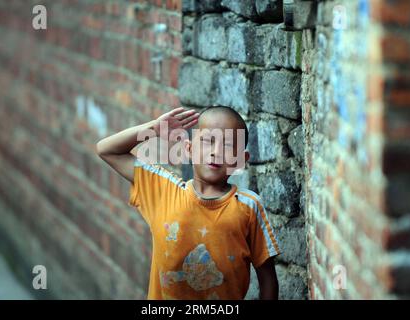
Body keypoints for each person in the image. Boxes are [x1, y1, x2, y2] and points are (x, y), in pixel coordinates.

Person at [96, 106, 281, 300]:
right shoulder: (163, 190)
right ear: (189, 149)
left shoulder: (248, 207)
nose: (216, 152)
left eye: (227, 145)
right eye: (208, 141)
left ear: (241, 160)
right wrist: (153, 128)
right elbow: (106, 150)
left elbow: (268, 279)